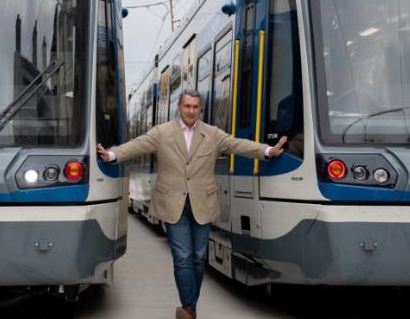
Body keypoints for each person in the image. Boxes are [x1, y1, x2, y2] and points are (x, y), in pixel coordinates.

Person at [98, 89, 286, 319]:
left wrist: (268, 150)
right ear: (179, 107)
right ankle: (188, 307)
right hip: (172, 203)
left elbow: (238, 145)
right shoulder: (163, 132)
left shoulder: (212, 133)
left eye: (195, 107)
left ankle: (189, 308)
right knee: (183, 257)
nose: (191, 111)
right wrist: (112, 154)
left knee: (198, 258)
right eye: (187, 106)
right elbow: (138, 144)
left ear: (200, 109)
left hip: (202, 203)